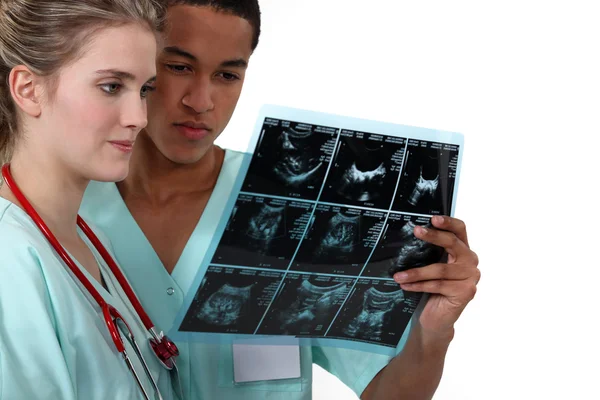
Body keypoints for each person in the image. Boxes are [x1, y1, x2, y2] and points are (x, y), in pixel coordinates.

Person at [80, 1, 481, 399]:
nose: (201, 101)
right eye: (180, 67)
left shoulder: (308, 206)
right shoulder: (67, 209)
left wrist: (434, 330)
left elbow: (389, 394)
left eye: (227, 74)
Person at [0, 0, 178, 399]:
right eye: (112, 86)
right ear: (28, 90)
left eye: (144, 89)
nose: (139, 117)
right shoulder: (7, 260)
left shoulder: (93, 239)